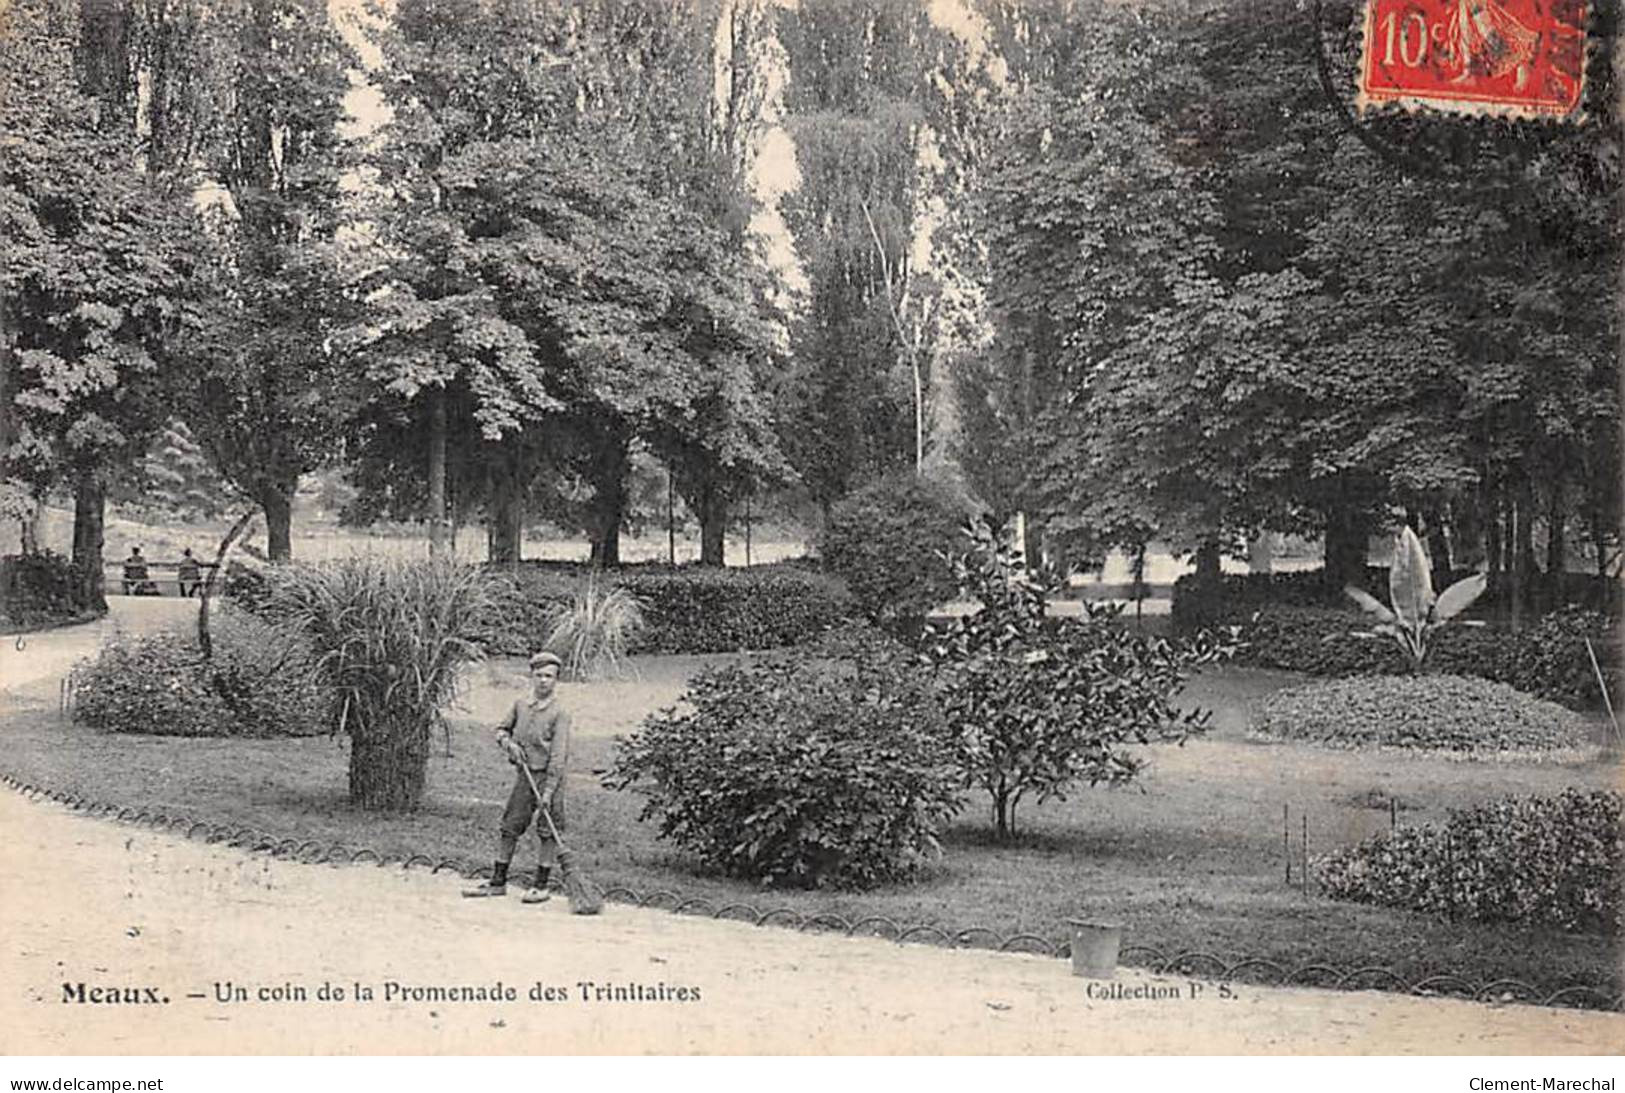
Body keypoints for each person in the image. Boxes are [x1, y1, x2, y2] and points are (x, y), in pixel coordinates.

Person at [463, 651, 574, 904]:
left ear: (556, 680)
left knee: (548, 831)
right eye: (539, 675)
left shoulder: (560, 713)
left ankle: (541, 885)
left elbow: (559, 756)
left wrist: (548, 792)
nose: (544, 681)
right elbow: (501, 729)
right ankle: (498, 881)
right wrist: (509, 744)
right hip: (525, 776)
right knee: (510, 825)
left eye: (549, 676)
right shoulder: (521, 705)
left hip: (549, 778)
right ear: (531, 677)